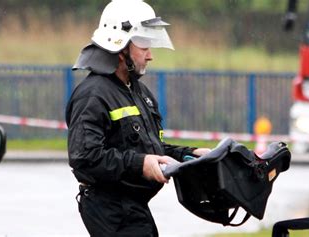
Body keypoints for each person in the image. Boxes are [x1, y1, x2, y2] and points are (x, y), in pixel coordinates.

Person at [65, 0, 210, 236]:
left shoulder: (137, 91)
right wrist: (140, 165)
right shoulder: (93, 95)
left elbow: (149, 147)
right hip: (110, 210)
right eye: (143, 45)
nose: (150, 55)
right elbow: (85, 158)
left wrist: (190, 155)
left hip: (133, 207)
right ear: (120, 48)